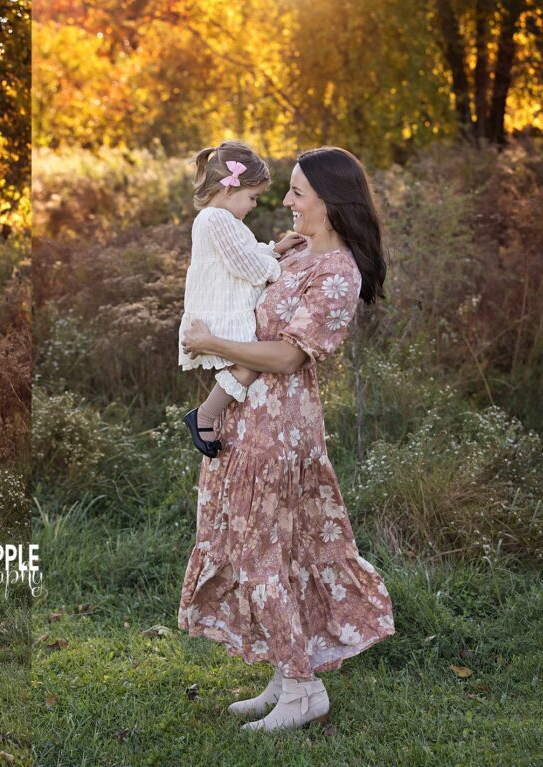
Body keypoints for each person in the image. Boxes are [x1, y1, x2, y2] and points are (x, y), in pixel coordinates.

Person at [178, 146, 394, 732]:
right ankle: (284, 671)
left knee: (261, 554)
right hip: (246, 417)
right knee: (276, 552)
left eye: (298, 192)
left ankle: (303, 688)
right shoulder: (297, 256)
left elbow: (288, 354)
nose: (287, 202)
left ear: (331, 201)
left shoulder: (338, 273)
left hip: (280, 428)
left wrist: (213, 345)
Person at [179, 140, 305, 457]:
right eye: (253, 197)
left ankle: (206, 416)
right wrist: (287, 272)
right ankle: (203, 416)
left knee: (249, 365)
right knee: (250, 365)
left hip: (221, 309)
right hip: (222, 314)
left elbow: (244, 256)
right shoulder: (217, 219)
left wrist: (275, 250)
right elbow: (248, 267)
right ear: (229, 189)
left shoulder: (218, 219)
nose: (254, 205)